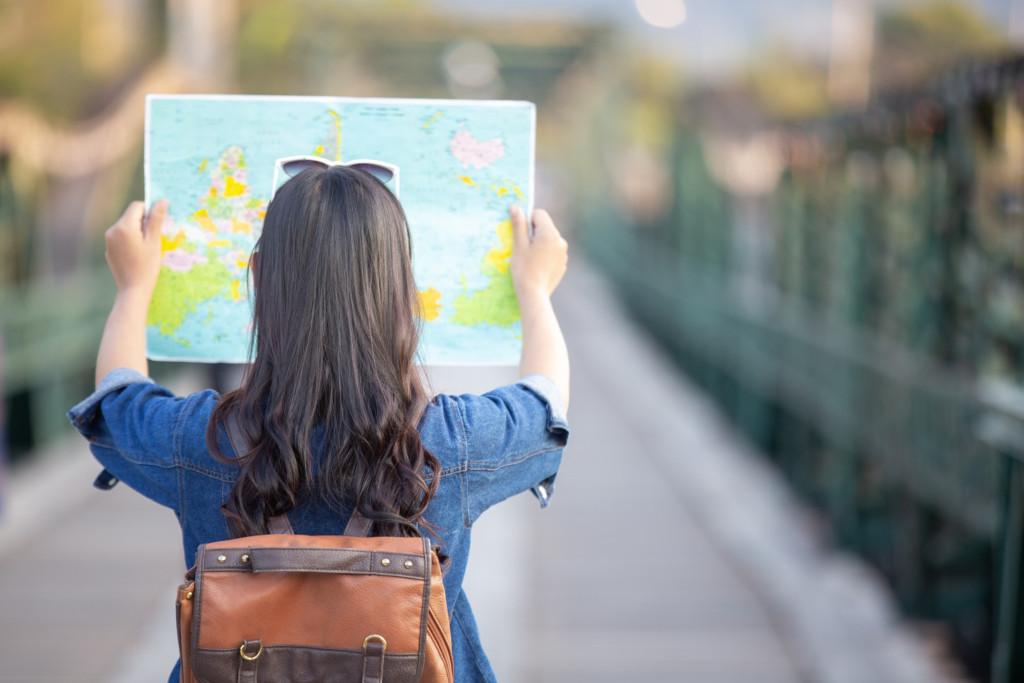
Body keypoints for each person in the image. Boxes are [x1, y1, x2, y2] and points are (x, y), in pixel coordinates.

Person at [67, 165, 570, 683]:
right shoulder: (452, 442)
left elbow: (116, 401)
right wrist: (534, 290)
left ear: (258, 277)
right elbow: (546, 405)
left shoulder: (199, 439)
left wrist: (133, 286)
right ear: (403, 289)